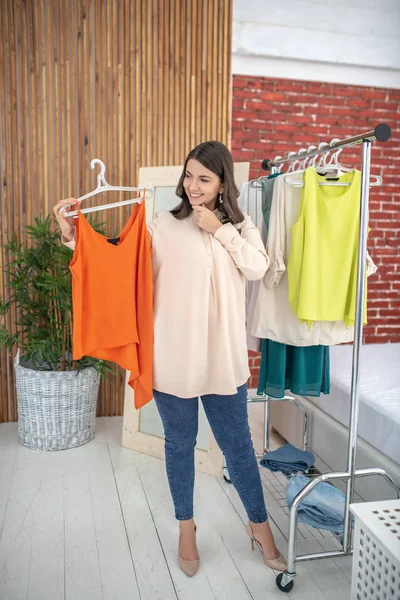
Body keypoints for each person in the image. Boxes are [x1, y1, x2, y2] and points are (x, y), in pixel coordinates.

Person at [54, 141, 287, 577]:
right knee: (179, 445)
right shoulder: (161, 226)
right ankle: (186, 527)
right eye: (189, 175)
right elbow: (115, 263)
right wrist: (72, 235)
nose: (193, 185)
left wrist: (219, 229)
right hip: (173, 360)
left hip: (224, 362)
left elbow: (258, 268)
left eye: (204, 178)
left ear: (222, 184)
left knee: (238, 448)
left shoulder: (242, 226)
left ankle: (260, 528)